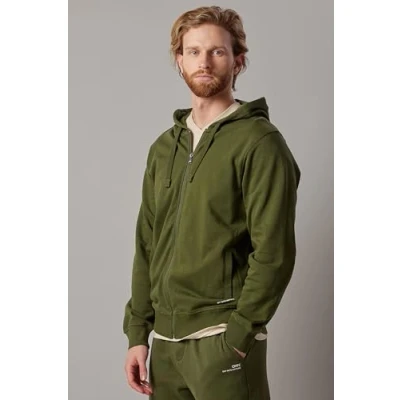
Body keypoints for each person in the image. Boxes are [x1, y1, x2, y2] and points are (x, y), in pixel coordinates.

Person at [123, 6, 301, 400]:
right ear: (179, 60)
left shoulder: (259, 142)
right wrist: (138, 333)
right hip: (164, 347)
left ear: (238, 61)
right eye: (193, 51)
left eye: (217, 51)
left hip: (221, 340)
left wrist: (239, 335)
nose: (204, 62)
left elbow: (274, 252)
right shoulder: (164, 148)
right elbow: (147, 244)